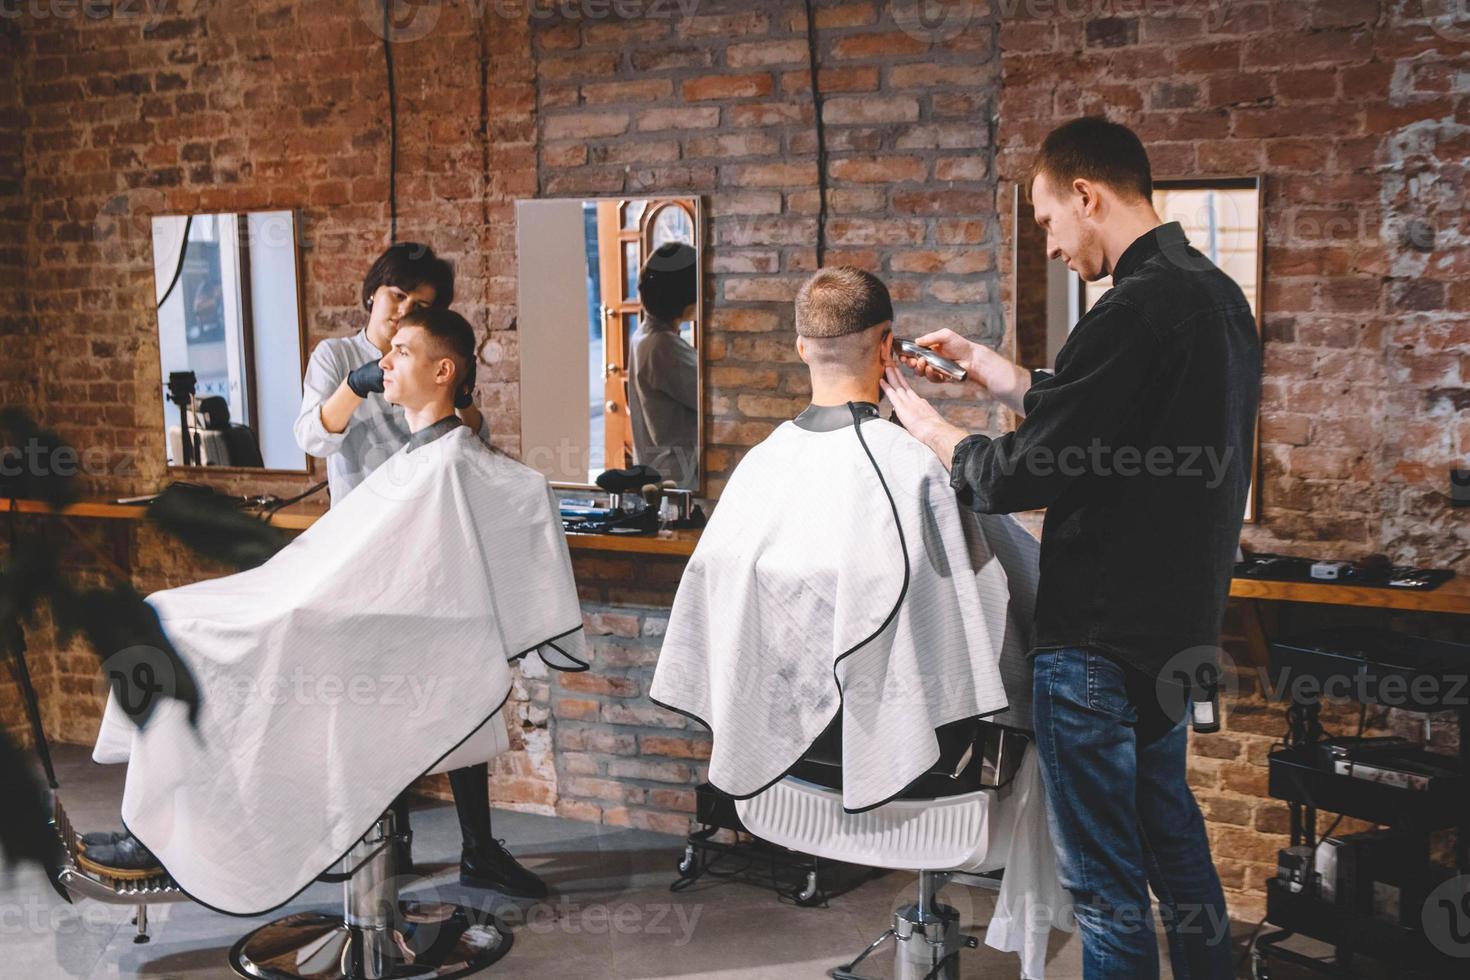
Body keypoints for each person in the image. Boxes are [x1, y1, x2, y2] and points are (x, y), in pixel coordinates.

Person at [881, 117, 1260, 980]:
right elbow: (1101, 417)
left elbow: (1023, 473)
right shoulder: (1213, 298)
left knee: (1106, 892)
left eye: (1049, 220)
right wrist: (988, 366)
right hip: (1175, 637)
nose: (1049, 245)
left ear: (1085, 195)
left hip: (1095, 644)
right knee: (1178, 858)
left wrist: (931, 426)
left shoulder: (1128, 310)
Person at [84, 307, 586, 913]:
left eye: (401, 351)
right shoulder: (421, 457)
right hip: (323, 609)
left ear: (443, 369)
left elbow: (511, 508)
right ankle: (168, 829)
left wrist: (295, 604)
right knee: (161, 615)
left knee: (188, 636)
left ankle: (166, 842)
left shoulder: (452, 463)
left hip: (343, 634)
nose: (385, 361)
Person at [650, 267, 1071, 978]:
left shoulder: (758, 471)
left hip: (791, 780)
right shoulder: (920, 467)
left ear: (798, 347)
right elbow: (1023, 604)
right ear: (887, 347)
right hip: (936, 780)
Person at [287, 246, 544, 896]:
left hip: (428, 557)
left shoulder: (426, 363)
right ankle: (385, 837)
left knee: (457, 691)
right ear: (373, 290)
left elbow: (468, 443)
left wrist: (460, 408)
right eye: (397, 294)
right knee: (374, 703)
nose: (404, 308)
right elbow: (312, 437)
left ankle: (478, 847)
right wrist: (360, 384)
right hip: (366, 561)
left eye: (421, 304)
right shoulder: (337, 358)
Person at [627, 241, 699, 488]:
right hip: (676, 474)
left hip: (662, 467)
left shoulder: (644, 336)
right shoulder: (663, 346)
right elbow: (711, 399)